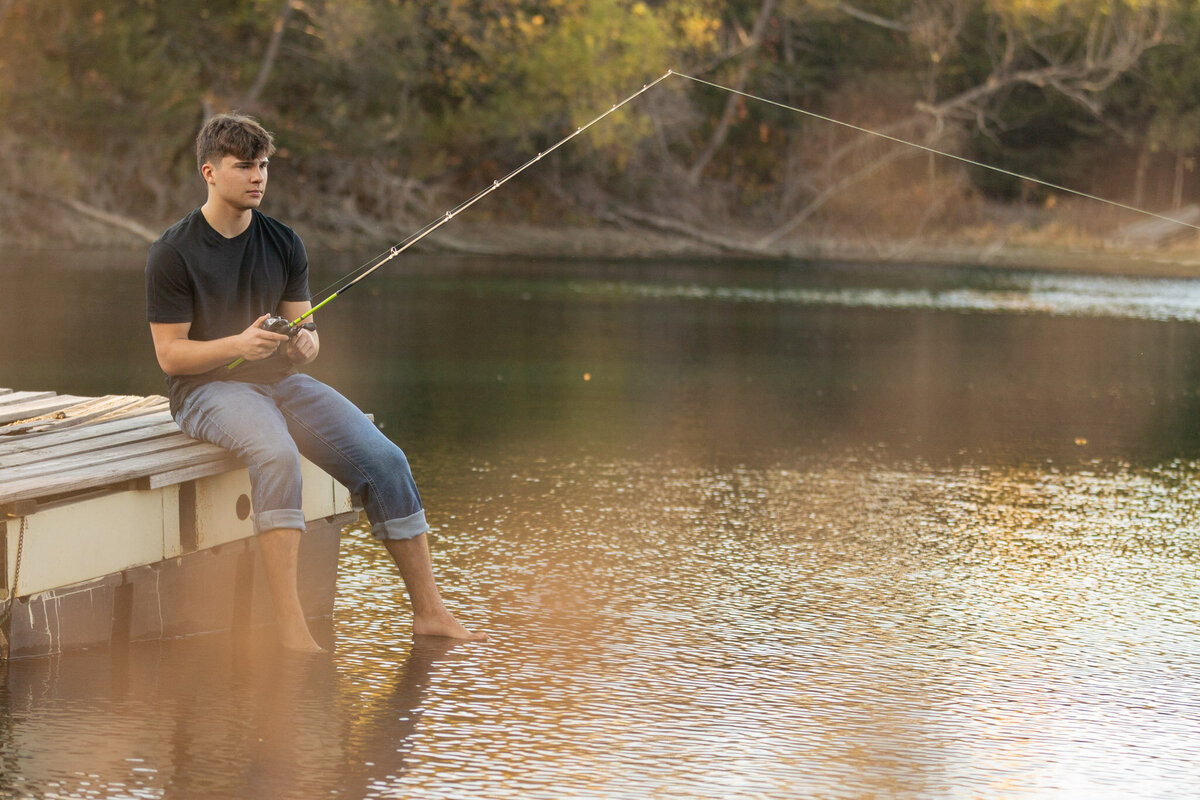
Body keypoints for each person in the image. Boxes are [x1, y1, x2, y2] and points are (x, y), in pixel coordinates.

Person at [145, 113, 485, 651]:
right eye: (243, 166)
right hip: (204, 392)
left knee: (388, 460)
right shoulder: (173, 251)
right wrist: (238, 345)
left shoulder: (283, 242)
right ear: (210, 172)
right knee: (277, 454)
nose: (257, 177)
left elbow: (307, 332)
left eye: (263, 166)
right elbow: (170, 357)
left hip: (280, 383)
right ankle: (289, 624)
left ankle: (430, 613)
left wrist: (305, 344)